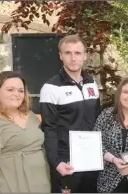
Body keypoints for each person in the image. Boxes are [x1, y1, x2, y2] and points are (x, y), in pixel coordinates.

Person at [39, 34, 101, 193]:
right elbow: (49, 128)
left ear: (85, 56)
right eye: (68, 53)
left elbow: (98, 120)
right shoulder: (50, 88)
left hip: (91, 160)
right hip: (66, 162)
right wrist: (56, 162)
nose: (73, 58)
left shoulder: (91, 83)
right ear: (60, 56)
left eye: (78, 53)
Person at [0, 71, 51, 192]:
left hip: (41, 184)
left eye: (20, 90)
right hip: (10, 187)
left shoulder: (32, 116)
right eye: (10, 89)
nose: (16, 94)